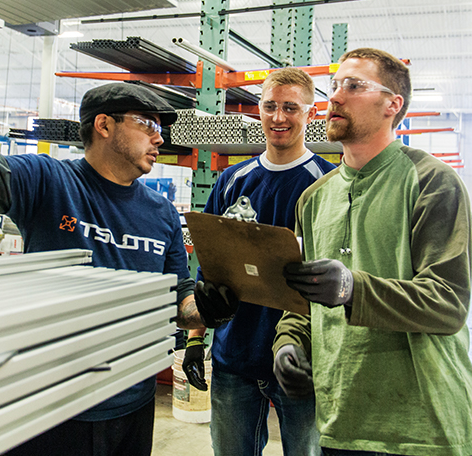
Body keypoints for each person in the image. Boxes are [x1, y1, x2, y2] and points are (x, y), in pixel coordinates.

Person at [0, 82, 207, 456]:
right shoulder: (48, 182)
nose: (159, 138)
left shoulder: (161, 213)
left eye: (161, 129)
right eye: (148, 124)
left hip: (133, 400)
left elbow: (178, 300)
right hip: (51, 407)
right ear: (104, 125)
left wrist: (207, 309)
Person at [273, 48, 472, 456]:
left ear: (392, 104)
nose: (336, 96)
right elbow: (302, 298)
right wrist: (288, 343)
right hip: (340, 419)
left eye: (354, 85)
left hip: (422, 426)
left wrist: (350, 288)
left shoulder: (432, 182)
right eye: (334, 86)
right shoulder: (313, 199)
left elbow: (448, 304)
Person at [182, 67, 336, 456]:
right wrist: (195, 340)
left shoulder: (328, 185)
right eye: (269, 106)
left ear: (310, 113)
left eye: (290, 107)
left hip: (302, 365)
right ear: (258, 110)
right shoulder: (232, 181)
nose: (278, 117)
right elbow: (209, 272)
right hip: (234, 358)